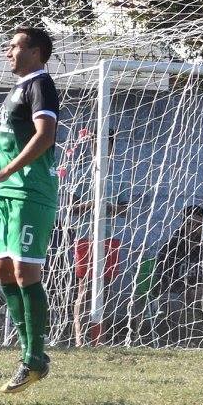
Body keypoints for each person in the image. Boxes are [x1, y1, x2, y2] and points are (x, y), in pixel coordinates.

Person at [0, 27, 61, 393]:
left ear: (36, 52)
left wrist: (7, 170)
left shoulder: (41, 85)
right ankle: (32, 356)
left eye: (14, 46)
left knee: (25, 271)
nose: (7, 52)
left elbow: (45, 136)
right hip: (5, 194)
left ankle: (33, 358)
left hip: (30, 191)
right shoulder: (18, 88)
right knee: (3, 271)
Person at [69, 127, 129, 344]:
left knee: (106, 289)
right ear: (90, 145)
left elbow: (125, 209)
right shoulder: (81, 173)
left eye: (106, 143)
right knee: (84, 288)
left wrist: (108, 206)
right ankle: (79, 338)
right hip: (86, 236)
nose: (101, 147)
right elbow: (72, 207)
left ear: (112, 147)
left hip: (109, 237)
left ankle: (101, 337)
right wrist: (93, 205)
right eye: (96, 143)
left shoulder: (120, 176)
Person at [148, 205, 203, 336]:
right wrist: (186, 290)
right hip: (173, 294)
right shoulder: (170, 248)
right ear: (183, 225)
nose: (193, 228)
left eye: (198, 225)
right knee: (174, 301)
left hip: (199, 294)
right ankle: (175, 338)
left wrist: (201, 289)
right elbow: (163, 280)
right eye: (189, 224)